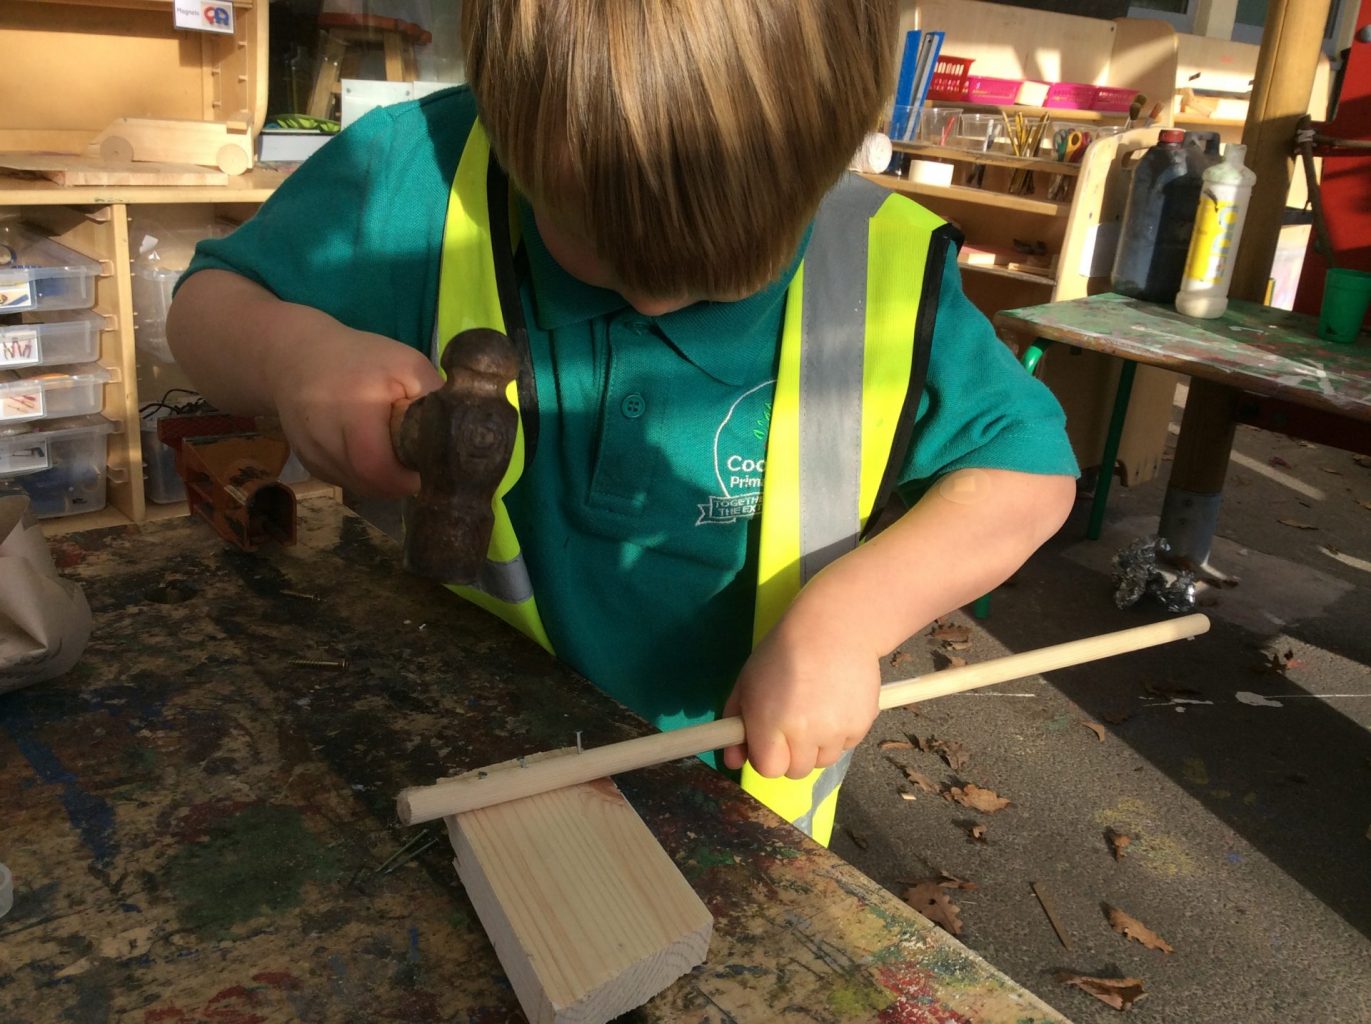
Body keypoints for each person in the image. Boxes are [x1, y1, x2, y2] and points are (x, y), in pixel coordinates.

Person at [167, 0, 1078, 846]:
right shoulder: (411, 171)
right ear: (510, 129)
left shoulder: (876, 262)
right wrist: (295, 357)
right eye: (599, 244)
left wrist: (846, 625)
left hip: (736, 810)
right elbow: (207, 306)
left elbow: (1029, 478)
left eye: (727, 264)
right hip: (455, 767)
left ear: (837, 144)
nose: (654, 296)